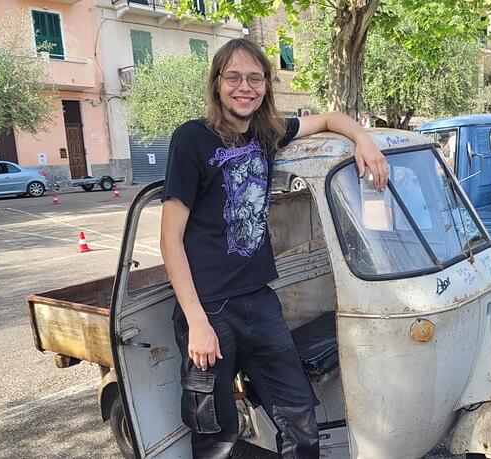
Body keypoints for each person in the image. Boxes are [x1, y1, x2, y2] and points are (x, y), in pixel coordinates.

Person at [160, 38, 388, 459]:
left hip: (260, 302)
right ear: (216, 84)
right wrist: (197, 323)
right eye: (233, 77)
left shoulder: (268, 133)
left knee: (301, 422)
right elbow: (170, 239)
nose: (243, 87)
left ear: (265, 84)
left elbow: (329, 119)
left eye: (254, 78)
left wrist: (364, 139)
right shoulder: (191, 139)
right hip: (209, 310)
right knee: (215, 434)